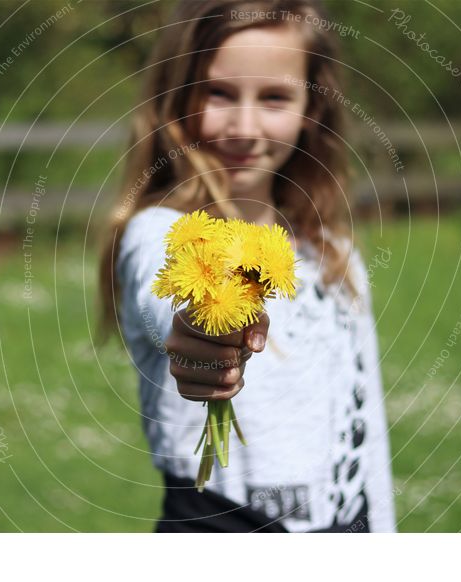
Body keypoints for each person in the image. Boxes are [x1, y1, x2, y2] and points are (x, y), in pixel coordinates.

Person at [99, 0, 396, 533]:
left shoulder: (333, 255)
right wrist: (197, 329)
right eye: (218, 92)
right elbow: (162, 294)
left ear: (313, 109)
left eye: (275, 97)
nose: (243, 125)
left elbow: (366, 430)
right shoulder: (160, 232)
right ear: (179, 94)